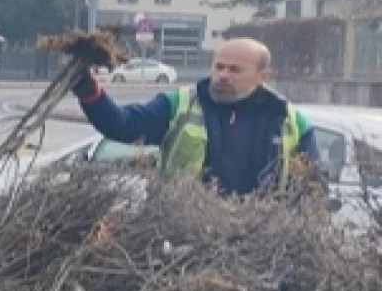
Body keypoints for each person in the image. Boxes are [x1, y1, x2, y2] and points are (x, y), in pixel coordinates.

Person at [73, 37, 318, 196]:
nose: (223, 75)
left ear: (263, 76)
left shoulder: (291, 121)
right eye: (219, 66)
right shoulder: (180, 103)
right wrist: (91, 94)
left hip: (258, 245)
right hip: (186, 238)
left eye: (234, 70)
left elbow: (313, 189)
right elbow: (123, 126)